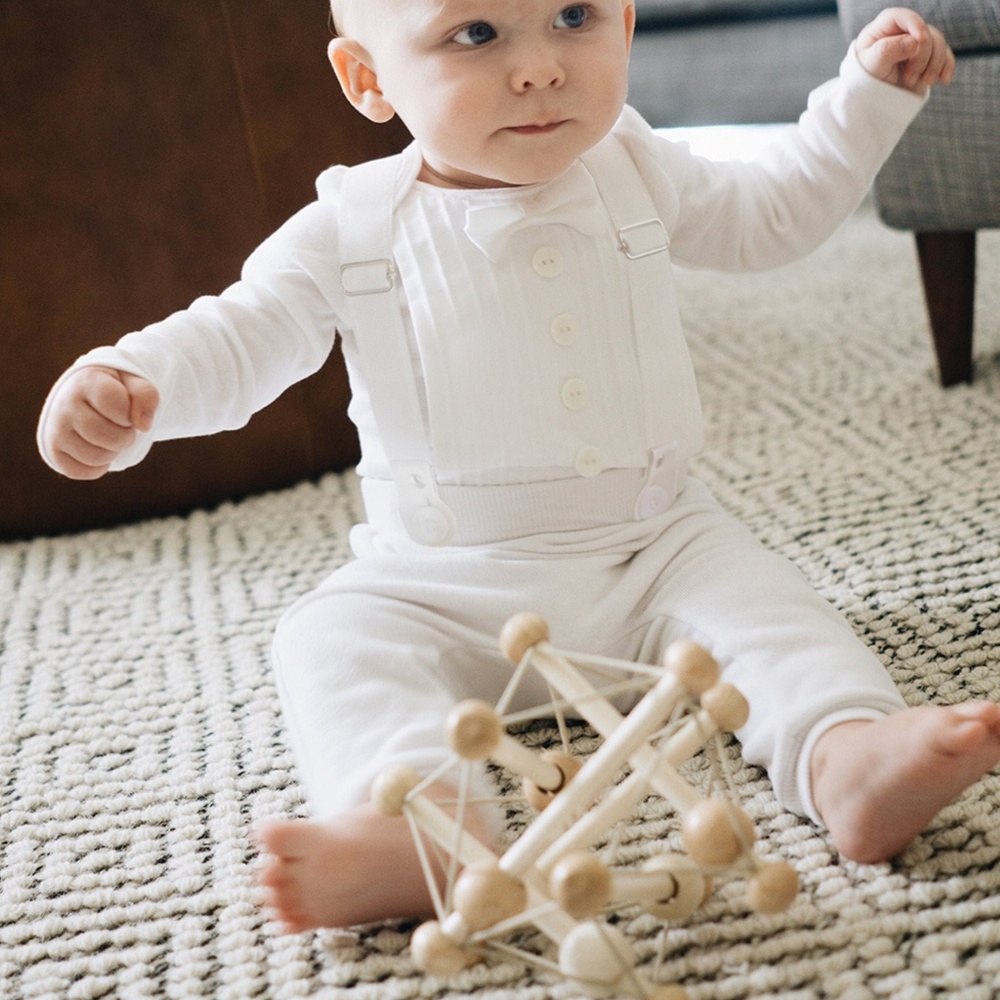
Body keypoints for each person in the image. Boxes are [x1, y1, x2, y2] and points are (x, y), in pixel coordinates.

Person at [37, 0, 1000, 935]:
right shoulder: (351, 226)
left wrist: (867, 95)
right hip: (440, 583)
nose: (539, 65)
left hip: (654, 546)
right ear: (369, 79)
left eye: (575, 18)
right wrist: (136, 381)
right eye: (477, 34)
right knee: (327, 636)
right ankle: (420, 830)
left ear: (626, 25)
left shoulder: (633, 166)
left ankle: (848, 754)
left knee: (770, 607)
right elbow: (239, 338)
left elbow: (773, 214)